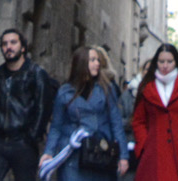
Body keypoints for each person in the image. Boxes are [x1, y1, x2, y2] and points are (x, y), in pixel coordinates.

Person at [43, 46, 131, 181]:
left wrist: (123, 155)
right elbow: (56, 126)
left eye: (97, 60)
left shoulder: (106, 89)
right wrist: (49, 152)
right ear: (81, 63)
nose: (97, 63)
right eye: (92, 60)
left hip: (99, 153)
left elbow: (116, 123)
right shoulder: (65, 91)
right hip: (72, 153)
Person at [0, 28, 58, 181]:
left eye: (13, 42)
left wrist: (32, 136)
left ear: (23, 48)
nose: (8, 47)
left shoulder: (36, 74)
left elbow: (43, 108)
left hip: (23, 143)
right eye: (4, 44)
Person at [130, 43, 178, 181]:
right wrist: (143, 144)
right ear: (156, 62)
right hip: (154, 151)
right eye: (161, 62)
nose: (165, 66)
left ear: (176, 62)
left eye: (169, 61)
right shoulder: (146, 87)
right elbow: (138, 120)